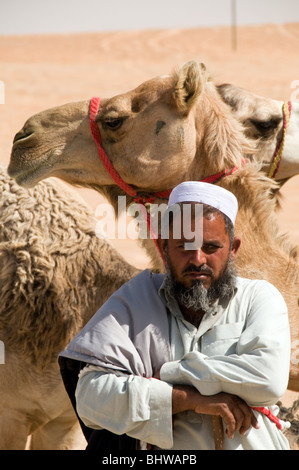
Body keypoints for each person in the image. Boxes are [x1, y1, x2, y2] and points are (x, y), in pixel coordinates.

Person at [59, 181, 291, 450]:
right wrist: (185, 399)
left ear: (233, 248)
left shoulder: (259, 298)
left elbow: (267, 380)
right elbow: (90, 398)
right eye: (183, 246)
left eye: (211, 247)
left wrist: (170, 373)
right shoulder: (136, 298)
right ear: (164, 248)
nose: (197, 259)